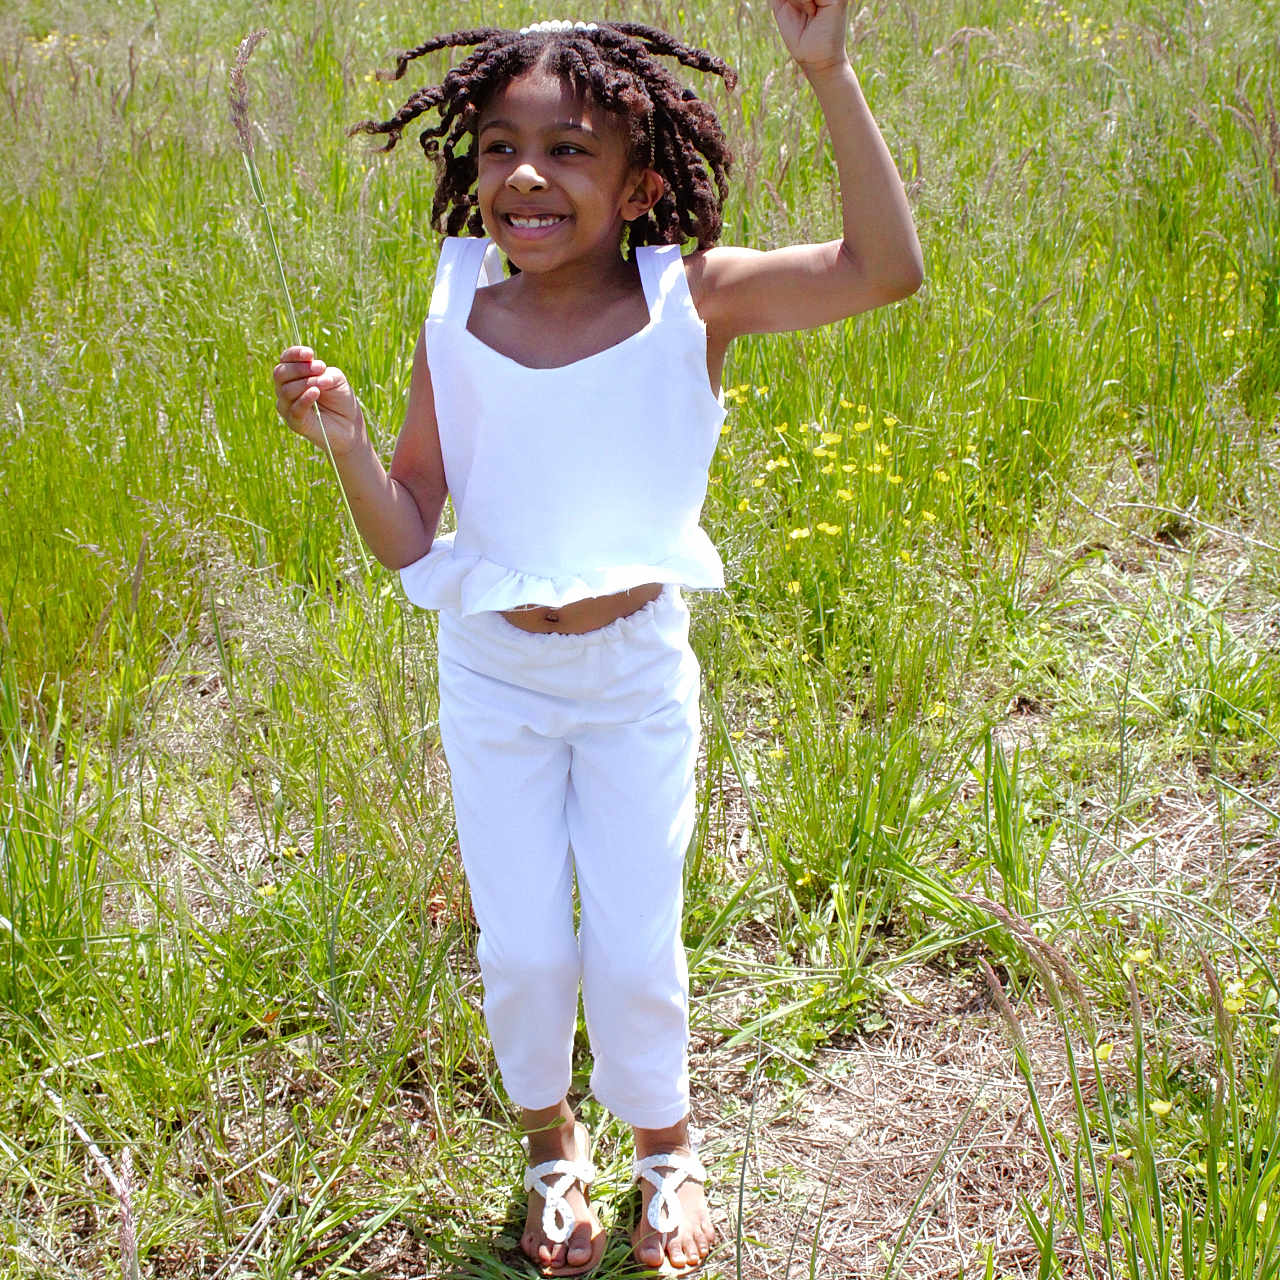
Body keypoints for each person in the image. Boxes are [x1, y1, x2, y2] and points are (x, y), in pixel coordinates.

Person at [272, 2, 921, 1274]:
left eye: (570, 148)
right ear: (470, 169)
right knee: (521, 942)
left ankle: (666, 1153)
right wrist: (347, 444)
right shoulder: (455, 316)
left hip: (630, 676)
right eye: (502, 145)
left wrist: (827, 72)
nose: (527, 173)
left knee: (631, 939)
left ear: (637, 183)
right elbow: (412, 537)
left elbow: (880, 268)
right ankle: (549, 1152)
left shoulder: (693, 297)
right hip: (496, 674)